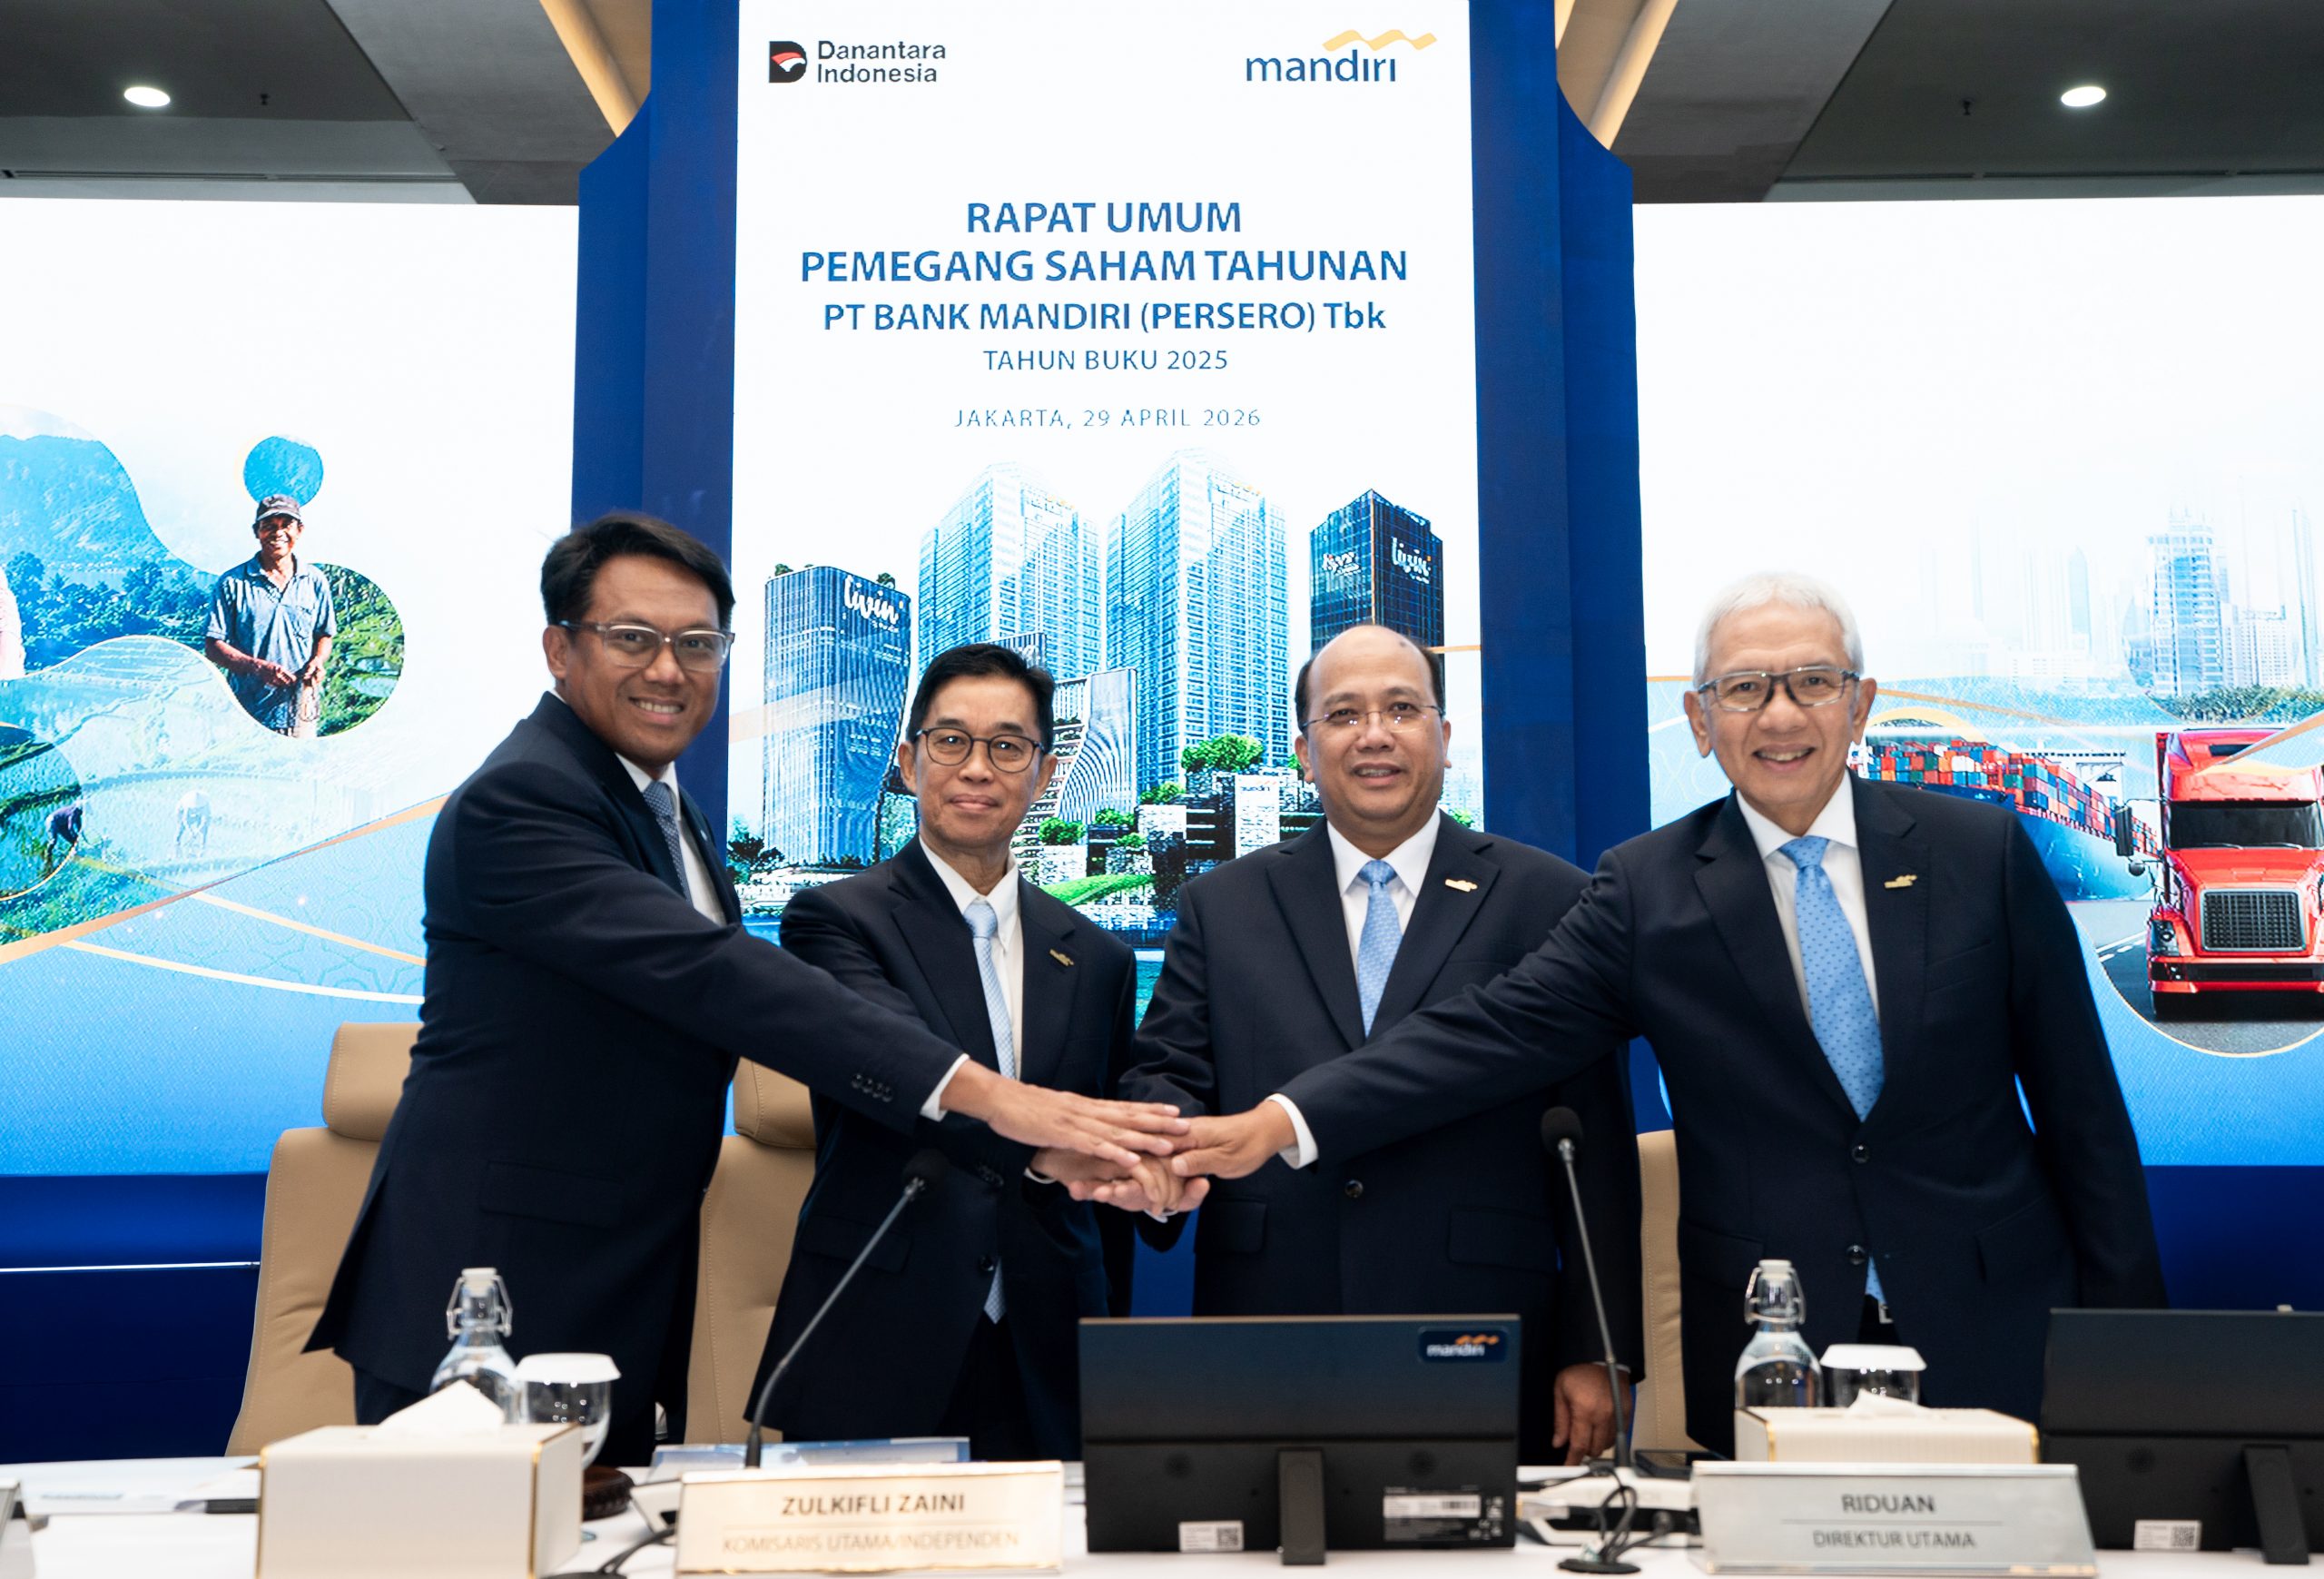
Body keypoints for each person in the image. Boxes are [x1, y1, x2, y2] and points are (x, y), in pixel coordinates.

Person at [1158, 574, 2167, 1454]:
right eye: (1744, 688)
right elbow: (1492, 1031)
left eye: (1811, 682)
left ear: (1859, 702)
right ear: (1699, 719)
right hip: (1774, 1342)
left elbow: (2086, 1121)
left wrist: (2130, 1357)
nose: (1779, 716)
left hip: (1997, 1323)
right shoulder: (1649, 891)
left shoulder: (1982, 855)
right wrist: (1285, 1120)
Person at [308, 514, 1185, 1465]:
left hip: (618, 1285)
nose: (668, 669)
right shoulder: (520, 798)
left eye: (697, 644)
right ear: (560, 649)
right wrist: (1000, 1098)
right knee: (465, 1536)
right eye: (633, 637)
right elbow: (717, 974)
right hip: (491, 1299)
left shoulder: (667, 812)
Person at [1107, 624, 1642, 1466]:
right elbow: (1168, 1069)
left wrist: (1599, 1345)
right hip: (1268, 1315)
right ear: (1304, 753)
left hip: (1481, 1319)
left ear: (1445, 736)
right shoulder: (1224, 904)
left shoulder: (1548, 898)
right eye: (1344, 714)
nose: (1375, 735)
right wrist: (1163, 1152)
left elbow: (1596, 1144)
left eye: (1401, 709)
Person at [755, 643, 1157, 1459]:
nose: (978, 768)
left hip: (1053, 1346)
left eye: (1008, 746)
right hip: (882, 1330)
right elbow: (904, 1069)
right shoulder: (834, 920)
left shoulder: (1100, 957)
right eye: (951, 741)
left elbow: (1101, 1166)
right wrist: (1043, 1152)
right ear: (909, 763)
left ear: (1043, 775)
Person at [204, 495, 335, 737]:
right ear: (257, 532)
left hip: (301, 709)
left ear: (300, 531)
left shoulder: (314, 581)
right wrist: (256, 667)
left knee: (300, 761)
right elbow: (213, 646)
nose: (278, 533)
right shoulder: (232, 583)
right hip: (247, 710)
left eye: (286, 525)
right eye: (269, 526)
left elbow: (324, 635)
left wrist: (318, 661)